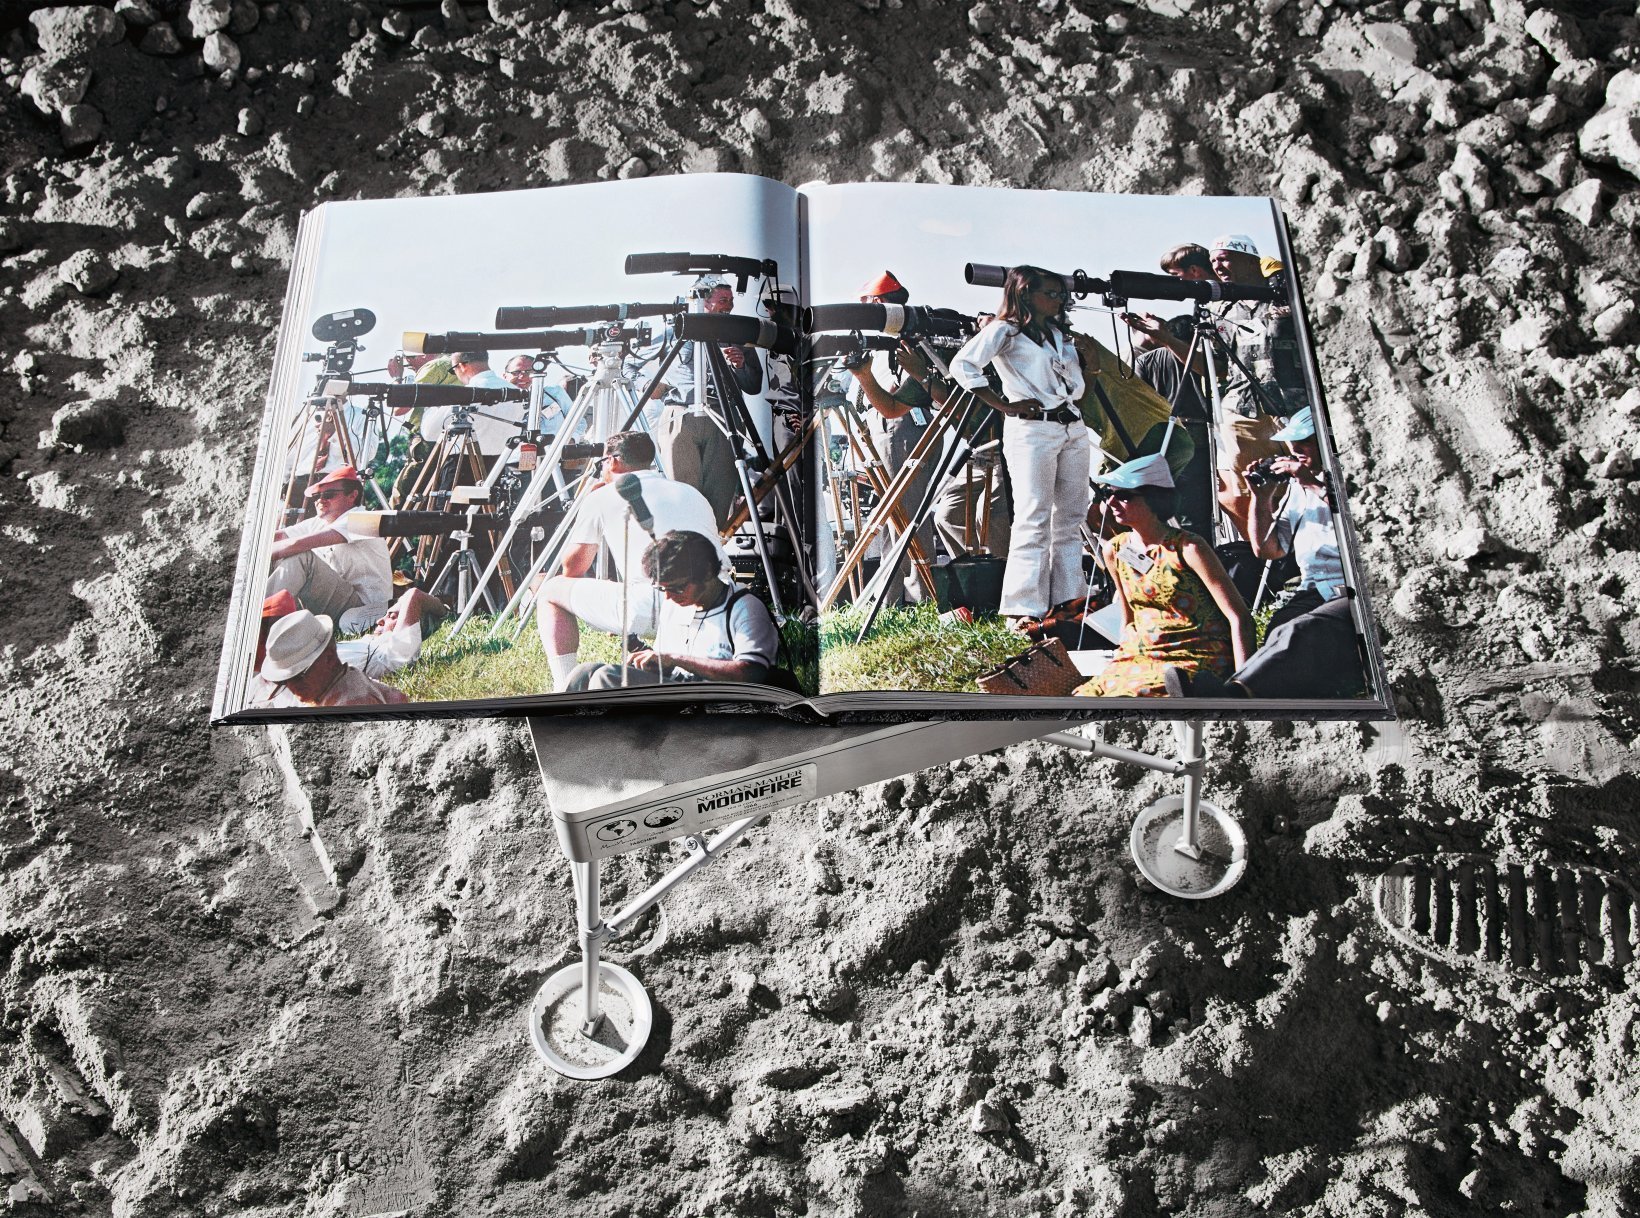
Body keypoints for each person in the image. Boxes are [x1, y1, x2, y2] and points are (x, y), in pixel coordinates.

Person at [1167, 408, 1365, 699]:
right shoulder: (1298, 488)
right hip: (1315, 589)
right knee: (1279, 631)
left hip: (1351, 590)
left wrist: (1311, 483)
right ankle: (1245, 692)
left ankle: (1233, 697)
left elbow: (1357, 517)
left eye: (1305, 442)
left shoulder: (1354, 476)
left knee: (1301, 631)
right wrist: (1261, 498)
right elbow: (1267, 550)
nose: (1295, 450)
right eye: (1292, 443)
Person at [950, 265, 1090, 631]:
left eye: (1061, 295)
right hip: (1033, 429)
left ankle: (1069, 599)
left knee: (1071, 517)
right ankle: (1022, 607)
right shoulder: (1004, 331)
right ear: (1026, 294)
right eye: (1051, 294)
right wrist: (1004, 405)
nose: (1058, 301)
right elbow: (963, 365)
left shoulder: (1057, 334)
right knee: (1034, 516)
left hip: (1071, 425)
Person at [535, 431, 725, 691]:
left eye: (602, 463)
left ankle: (564, 685)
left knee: (550, 590)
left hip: (656, 602)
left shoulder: (603, 495)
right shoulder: (690, 492)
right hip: (716, 601)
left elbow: (573, 568)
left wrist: (587, 506)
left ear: (612, 461)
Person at [1075, 454, 1253, 698]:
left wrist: (1242, 684)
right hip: (1141, 655)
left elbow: (1238, 616)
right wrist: (1121, 658)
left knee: (1134, 696)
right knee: (1084, 698)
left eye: (1124, 496)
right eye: (1108, 494)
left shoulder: (1189, 548)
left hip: (1193, 653)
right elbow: (1128, 616)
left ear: (1154, 499)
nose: (1111, 502)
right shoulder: (1115, 550)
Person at [563, 530, 778, 691]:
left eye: (677, 588)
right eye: (662, 589)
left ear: (707, 572)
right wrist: (653, 663)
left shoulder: (745, 608)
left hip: (720, 708)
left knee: (607, 677)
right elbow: (669, 669)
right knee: (583, 674)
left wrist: (676, 659)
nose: (668, 597)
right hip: (678, 695)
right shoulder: (674, 605)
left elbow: (752, 674)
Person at [844, 271, 940, 603]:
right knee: (891, 516)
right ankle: (893, 597)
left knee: (907, 513)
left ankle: (917, 597)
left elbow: (893, 404)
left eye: (867, 303)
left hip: (902, 429)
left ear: (881, 302)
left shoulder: (904, 342)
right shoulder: (880, 342)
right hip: (886, 430)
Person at [642, 275, 762, 527]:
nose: (729, 306)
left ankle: (712, 545)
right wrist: (652, 386)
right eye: (723, 300)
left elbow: (754, 385)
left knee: (719, 497)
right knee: (681, 495)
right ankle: (684, 544)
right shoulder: (674, 332)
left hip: (724, 418)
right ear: (702, 301)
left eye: (731, 300)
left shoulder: (738, 335)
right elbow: (632, 365)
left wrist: (741, 366)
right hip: (681, 416)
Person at [1206, 234, 1308, 475]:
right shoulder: (1219, 311)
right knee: (1252, 479)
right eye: (1213, 262)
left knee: (1309, 473)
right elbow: (1217, 364)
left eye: (1224, 259)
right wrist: (1166, 339)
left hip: (1294, 406)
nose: (1218, 267)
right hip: (1243, 411)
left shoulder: (1285, 295)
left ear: (1252, 261)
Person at [266, 465, 393, 635]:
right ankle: (263, 615)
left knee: (302, 558)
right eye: (317, 496)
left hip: (363, 610)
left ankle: (263, 620)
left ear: (352, 495)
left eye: (328, 495)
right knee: (277, 556)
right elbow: (278, 537)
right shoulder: (322, 521)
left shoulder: (363, 519)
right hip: (339, 602)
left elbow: (296, 544)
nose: (320, 500)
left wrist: (260, 557)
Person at [257, 610, 408, 707]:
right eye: (284, 681)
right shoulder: (338, 681)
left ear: (328, 658)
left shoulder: (351, 704)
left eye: (298, 676)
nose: (291, 687)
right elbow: (397, 696)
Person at [418, 350, 525, 461]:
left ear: (462, 366)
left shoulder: (464, 394)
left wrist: (431, 406)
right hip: (503, 463)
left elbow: (429, 433)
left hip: (461, 463)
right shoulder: (517, 393)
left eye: (453, 370)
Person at [336, 587, 447, 678]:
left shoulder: (394, 655)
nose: (379, 621)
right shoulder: (375, 649)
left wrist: (444, 611)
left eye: (392, 616)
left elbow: (414, 595)